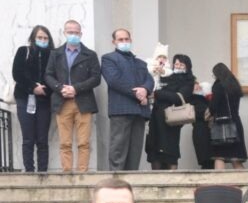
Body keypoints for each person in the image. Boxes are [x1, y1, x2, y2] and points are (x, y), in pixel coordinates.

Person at [44, 19, 101, 172]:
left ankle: (83, 174)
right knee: (65, 142)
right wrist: (60, 87)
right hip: (62, 102)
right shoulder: (55, 54)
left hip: (83, 101)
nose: (73, 35)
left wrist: (76, 88)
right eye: (70, 32)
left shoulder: (90, 54)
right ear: (64, 33)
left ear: (81, 34)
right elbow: (48, 75)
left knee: (84, 142)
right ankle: (67, 174)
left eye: (76, 32)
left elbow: (96, 78)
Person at [101, 28, 153, 171]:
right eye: (120, 39)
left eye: (126, 39)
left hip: (140, 111)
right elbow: (114, 81)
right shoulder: (108, 59)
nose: (124, 42)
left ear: (130, 40)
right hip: (121, 110)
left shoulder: (141, 63)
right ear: (114, 42)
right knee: (118, 148)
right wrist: (138, 93)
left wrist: (145, 89)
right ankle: (116, 181)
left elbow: (149, 80)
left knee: (135, 151)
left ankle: (132, 182)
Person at [11, 25, 52, 172]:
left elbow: (54, 76)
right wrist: (33, 87)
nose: (42, 40)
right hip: (25, 98)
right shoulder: (24, 51)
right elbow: (17, 73)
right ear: (33, 38)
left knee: (42, 139)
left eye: (45, 38)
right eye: (40, 37)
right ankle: (29, 170)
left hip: (44, 100)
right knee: (28, 138)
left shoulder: (52, 54)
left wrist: (44, 90)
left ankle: (43, 171)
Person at [145, 54, 195, 170]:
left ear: (187, 67)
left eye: (181, 64)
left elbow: (179, 97)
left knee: (170, 150)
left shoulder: (189, 81)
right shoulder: (165, 76)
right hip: (156, 119)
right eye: (176, 64)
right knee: (154, 150)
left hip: (172, 121)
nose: (178, 66)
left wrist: (158, 94)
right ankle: (157, 182)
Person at [209, 63, 247, 169]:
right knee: (236, 159)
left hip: (222, 126)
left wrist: (209, 112)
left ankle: (219, 184)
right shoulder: (234, 84)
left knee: (219, 157)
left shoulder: (218, 85)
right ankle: (246, 185)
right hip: (236, 123)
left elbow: (214, 106)